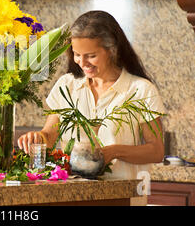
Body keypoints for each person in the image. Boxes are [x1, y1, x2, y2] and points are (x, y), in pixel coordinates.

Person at [17, 10, 166, 179]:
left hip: (123, 195)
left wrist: (113, 151)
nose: (82, 63)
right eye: (77, 54)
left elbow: (156, 151)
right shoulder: (67, 84)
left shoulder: (141, 90)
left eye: (91, 56)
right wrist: (38, 138)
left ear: (112, 50)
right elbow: (50, 136)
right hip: (72, 193)